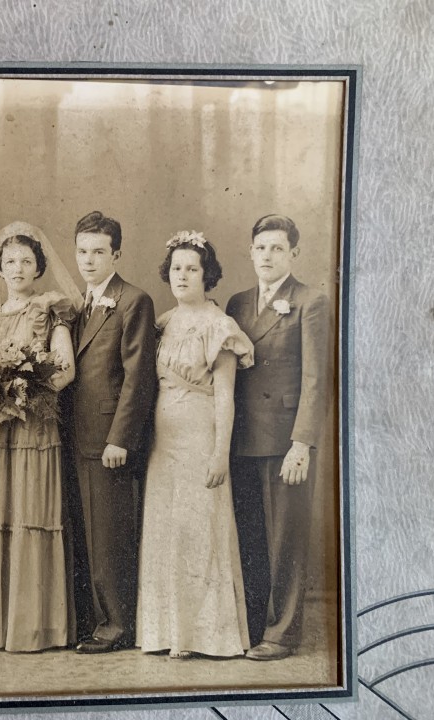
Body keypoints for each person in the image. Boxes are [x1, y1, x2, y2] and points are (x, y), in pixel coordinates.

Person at [0, 222, 79, 652]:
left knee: (28, 515)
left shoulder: (49, 312)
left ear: (38, 268)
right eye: (10, 261)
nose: (17, 268)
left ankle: (31, 627)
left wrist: (23, 391)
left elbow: (65, 370)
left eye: (26, 261)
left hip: (32, 429)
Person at [136, 231, 253, 659]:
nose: (182, 276)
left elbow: (226, 396)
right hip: (162, 439)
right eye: (176, 269)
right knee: (168, 529)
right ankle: (168, 632)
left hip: (201, 434)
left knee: (199, 529)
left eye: (192, 269)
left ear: (208, 276)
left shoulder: (219, 327)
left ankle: (205, 635)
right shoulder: (164, 322)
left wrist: (220, 452)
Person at [226, 214, 331, 661]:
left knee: (285, 538)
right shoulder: (236, 303)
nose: (267, 256)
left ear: (293, 253)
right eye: (260, 248)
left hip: (286, 442)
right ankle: (252, 627)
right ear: (250, 252)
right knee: (250, 537)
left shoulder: (311, 301)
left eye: (277, 248)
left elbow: (316, 379)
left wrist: (302, 443)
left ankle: (283, 633)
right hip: (242, 438)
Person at [69, 211, 157, 654]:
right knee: (87, 536)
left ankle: (117, 626)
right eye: (82, 251)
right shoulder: (77, 303)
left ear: (116, 254)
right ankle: (94, 620)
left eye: (98, 252)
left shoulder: (132, 301)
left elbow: (138, 376)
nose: (88, 260)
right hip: (76, 437)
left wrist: (120, 438)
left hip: (108, 441)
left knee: (110, 538)